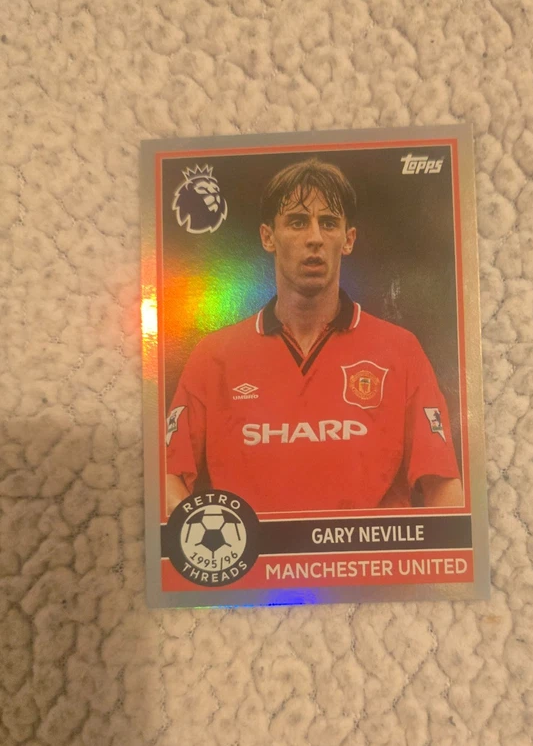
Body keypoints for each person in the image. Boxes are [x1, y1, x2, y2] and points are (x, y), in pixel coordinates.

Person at [165, 157, 463, 514]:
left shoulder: (400, 350)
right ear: (268, 237)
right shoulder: (214, 356)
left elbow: (443, 487)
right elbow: (167, 478)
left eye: (329, 223)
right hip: (252, 551)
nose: (315, 238)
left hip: (368, 550)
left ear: (348, 239)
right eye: (297, 222)